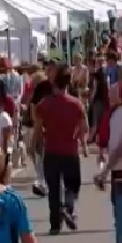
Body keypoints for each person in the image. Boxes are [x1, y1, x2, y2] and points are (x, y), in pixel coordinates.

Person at [33, 69, 87, 234]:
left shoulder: (44, 104)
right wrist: (80, 141)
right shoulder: (76, 104)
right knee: (72, 185)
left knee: (53, 188)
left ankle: (55, 224)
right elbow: (84, 128)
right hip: (70, 150)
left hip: (51, 150)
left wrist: (37, 142)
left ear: (53, 83)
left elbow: (38, 128)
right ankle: (68, 208)